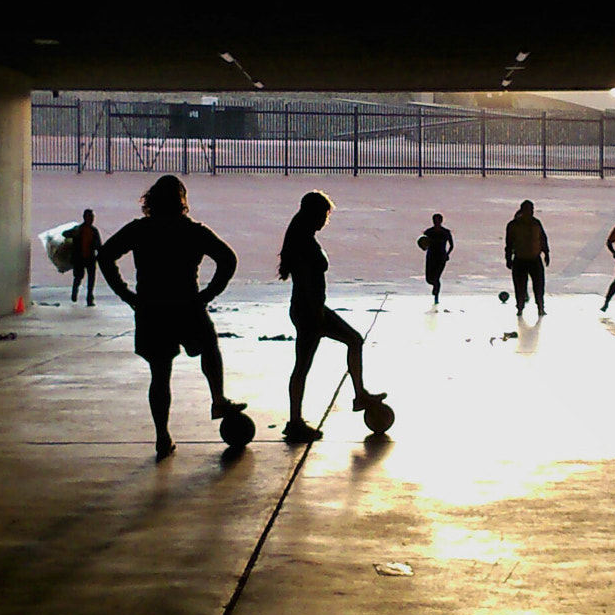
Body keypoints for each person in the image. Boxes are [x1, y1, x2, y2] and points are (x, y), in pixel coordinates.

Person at [97, 175, 245, 460]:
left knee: (160, 374)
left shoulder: (140, 230)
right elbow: (228, 260)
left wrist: (127, 295)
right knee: (209, 348)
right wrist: (208, 294)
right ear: (182, 202)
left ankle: (162, 436)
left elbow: (105, 256)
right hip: (187, 304)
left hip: (152, 309)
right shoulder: (193, 231)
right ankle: (218, 399)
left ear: (151, 201)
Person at [278, 191, 385, 442]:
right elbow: (305, 280)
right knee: (304, 365)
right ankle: (295, 422)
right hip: (310, 311)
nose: (326, 220)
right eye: (325, 214)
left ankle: (359, 394)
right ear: (314, 214)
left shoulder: (301, 237)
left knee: (352, 342)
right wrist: (316, 315)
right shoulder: (303, 242)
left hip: (310, 308)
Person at [504, 199, 551, 315]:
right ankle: (520, 307)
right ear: (522, 210)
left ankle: (540, 307)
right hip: (520, 259)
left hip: (534, 259)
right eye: (528, 210)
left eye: (532, 210)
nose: (531, 212)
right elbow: (509, 243)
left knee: (539, 285)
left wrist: (546, 253)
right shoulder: (513, 225)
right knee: (519, 286)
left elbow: (543, 238)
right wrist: (508, 258)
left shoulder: (536, 223)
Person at [64, 209, 103, 306]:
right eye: (90, 217)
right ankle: (74, 293)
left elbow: (98, 245)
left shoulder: (94, 231)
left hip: (90, 258)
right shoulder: (78, 229)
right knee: (78, 277)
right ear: (85, 218)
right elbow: (65, 234)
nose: (91, 219)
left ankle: (90, 298)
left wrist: (101, 254)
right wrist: (73, 233)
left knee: (91, 279)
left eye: (92, 217)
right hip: (79, 258)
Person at [419, 213, 454, 304]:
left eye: (438, 220)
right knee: (429, 279)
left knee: (436, 277)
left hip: (441, 257)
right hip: (431, 256)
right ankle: (435, 287)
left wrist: (447, 254)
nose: (436, 222)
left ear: (441, 221)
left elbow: (451, 245)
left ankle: (436, 297)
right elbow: (423, 243)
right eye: (435, 220)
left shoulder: (446, 232)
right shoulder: (429, 232)